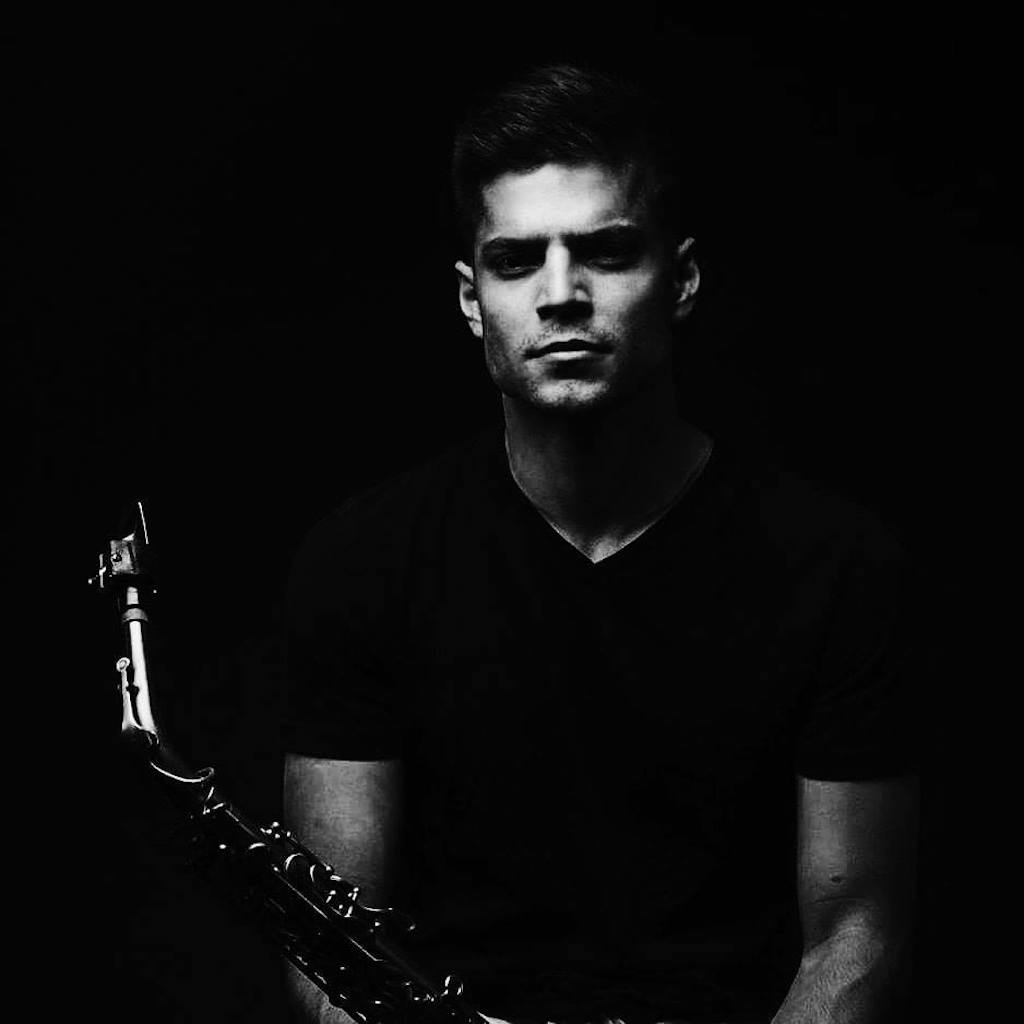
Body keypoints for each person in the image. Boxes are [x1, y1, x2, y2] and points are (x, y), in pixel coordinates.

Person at [282, 64, 920, 1024]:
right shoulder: (359, 563)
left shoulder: (839, 565)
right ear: (470, 298)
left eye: (607, 252)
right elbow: (326, 944)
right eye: (515, 261)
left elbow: (857, 935)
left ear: (682, 280)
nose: (561, 295)